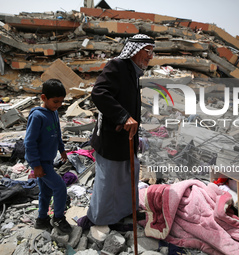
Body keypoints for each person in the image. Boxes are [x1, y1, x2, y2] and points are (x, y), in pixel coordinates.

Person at [79, 34, 155, 228]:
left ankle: (125, 212)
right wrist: (123, 117)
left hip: (127, 136)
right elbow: (99, 92)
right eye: (148, 51)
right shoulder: (118, 65)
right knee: (110, 182)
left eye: (152, 51)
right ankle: (103, 219)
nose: (151, 56)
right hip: (112, 137)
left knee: (128, 176)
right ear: (136, 50)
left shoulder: (133, 71)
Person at [24, 79, 72, 235]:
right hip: (41, 163)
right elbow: (29, 142)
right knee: (60, 187)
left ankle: (42, 219)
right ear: (44, 98)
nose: (58, 105)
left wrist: (62, 149)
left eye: (61, 102)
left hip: (48, 161)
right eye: (55, 101)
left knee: (45, 192)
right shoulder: (37, 116)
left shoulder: (54, 113)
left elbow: (57, 134)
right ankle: (58, 217)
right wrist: (35, 165)